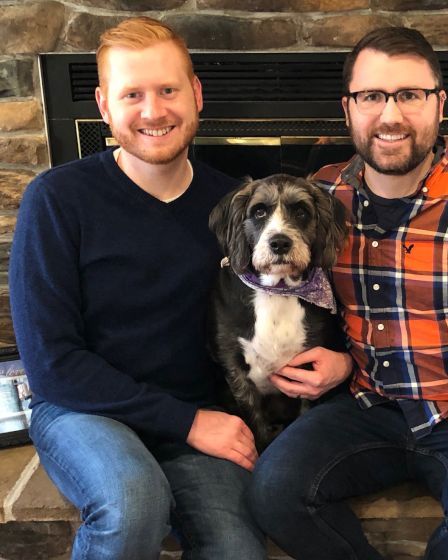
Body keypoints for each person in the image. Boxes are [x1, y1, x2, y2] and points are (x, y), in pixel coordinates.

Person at [248, 26, 448, 559]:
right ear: (348, 108)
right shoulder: (320, 197)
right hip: (365, 403)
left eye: (409, 94)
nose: (390, 115)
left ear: (439, 103)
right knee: (272, 492)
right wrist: (343, 363)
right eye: (371, 95)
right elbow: (300, 290)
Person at [9, 17, 266, 560]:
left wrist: (334, 361)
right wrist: (187, 422)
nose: (153, 111)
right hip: (83, 411)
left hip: (197, 413)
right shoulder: (57, 200)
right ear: (104, 106)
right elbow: (51, 364)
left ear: (196, 94)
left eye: (168, 90)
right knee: (133, 504)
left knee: (239, 551)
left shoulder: (235, 206)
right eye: (133, 95)